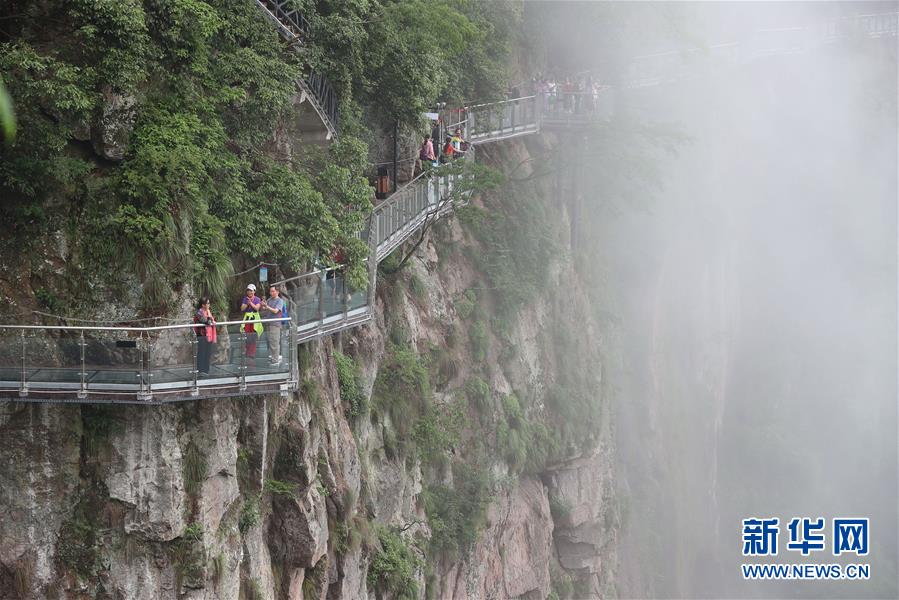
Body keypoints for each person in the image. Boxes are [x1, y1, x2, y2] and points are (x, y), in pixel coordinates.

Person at [261, 285, 285, 365]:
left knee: (274, 341)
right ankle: (273, 356)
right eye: (270, 291)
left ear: (277, 292)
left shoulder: (280, 301)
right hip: (268, 323)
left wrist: (267, 307)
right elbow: (265, 308)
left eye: (273, 291)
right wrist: (263, 305)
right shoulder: (269, 299)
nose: (271, 293)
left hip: (275, 324)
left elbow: (275, 311)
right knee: (270, 341)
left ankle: (275, 360)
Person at [240, 284, 263, 359]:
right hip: (247, 320)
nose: (249, 292)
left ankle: (252, 353)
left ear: (254, 291)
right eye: (248, 291)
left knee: (253, 336)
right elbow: (242, 309)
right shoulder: (245, 299)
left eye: (251, 290)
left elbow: (257, 308)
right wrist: (247, 303)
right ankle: (247, 352)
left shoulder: (257, 299)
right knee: (247, 336)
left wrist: (251, 303)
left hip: (255, 320)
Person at [193, 297, 216, 375]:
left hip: (208, 336)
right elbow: (205, 321)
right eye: (207, 303)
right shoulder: (199, 312)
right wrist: (210, 320)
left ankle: (206, 371)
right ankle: (200, 371)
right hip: (201, 336)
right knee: (201, 353)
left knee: (207, 353)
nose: (209, 305)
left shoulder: (208, 312)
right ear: (203, 305)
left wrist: (210, 319)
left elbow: (210, 320)